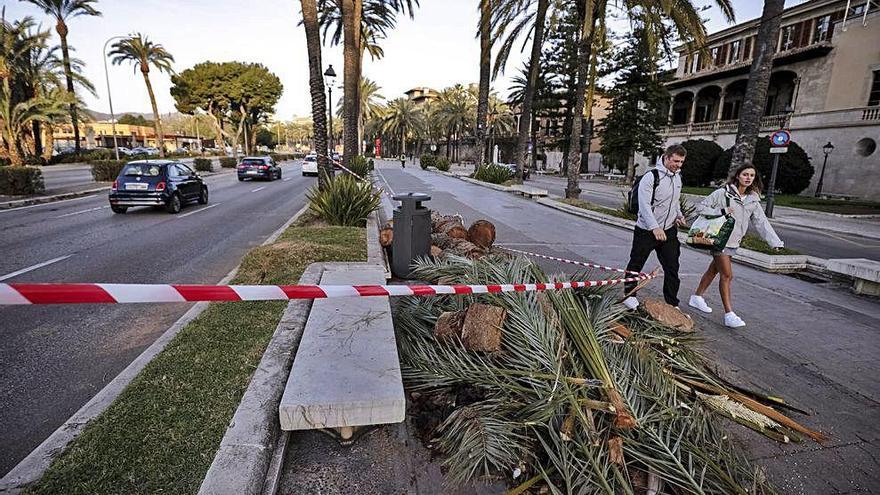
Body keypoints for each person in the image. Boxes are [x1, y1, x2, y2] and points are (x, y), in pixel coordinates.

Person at [688, 163, 784, 328]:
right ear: (738, 176)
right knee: (727, 275)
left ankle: (696, 297)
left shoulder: (753, 199)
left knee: (714, 270)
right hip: (719, 240)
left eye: (752, 175)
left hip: (734, 242)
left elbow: (761, 222)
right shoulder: (722, 193)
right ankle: (729, 314)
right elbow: (701, 207)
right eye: (745, 174)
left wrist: (775, 242)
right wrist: (721, 211)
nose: (748, 178)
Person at [622, 144, 688, 311]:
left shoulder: (677, 177)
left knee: (672, 267)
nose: (678, 165)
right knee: (636, 263)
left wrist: (678, 215)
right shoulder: (651, 177)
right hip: (646, 231)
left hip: (669, 231)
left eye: (681, 162)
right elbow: (644, 205)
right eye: (675, 161)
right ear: (666, 157)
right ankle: (629, 296)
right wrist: (654, 227)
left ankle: (672, 303)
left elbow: (674, 201)